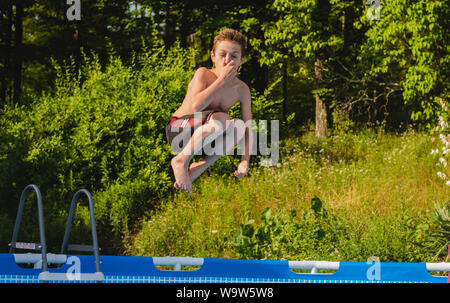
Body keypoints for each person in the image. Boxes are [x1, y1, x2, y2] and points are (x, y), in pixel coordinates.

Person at [165, 28, 253, 194]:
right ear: (213, 56)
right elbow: (196, 106)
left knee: (239, 126)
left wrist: (244, 161)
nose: (227, 61)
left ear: (241, 60)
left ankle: (195, 170)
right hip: (179, 130)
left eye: (234, 56)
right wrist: (221, 80)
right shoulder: (203, 74)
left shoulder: (242, 89)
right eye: (222, 55)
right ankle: (181, 160)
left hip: (205, 138)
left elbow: (249, 127)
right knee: (221, 118)